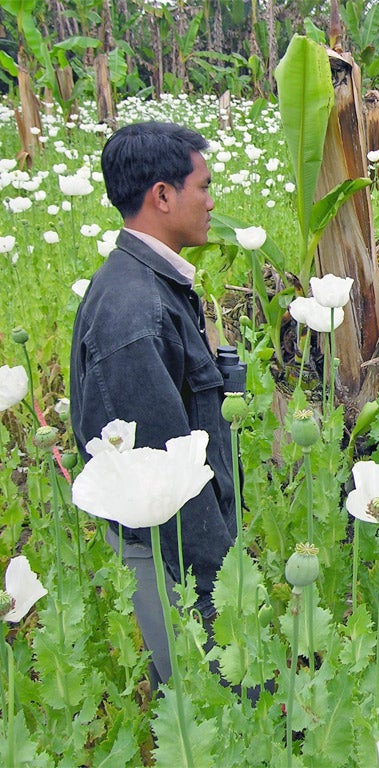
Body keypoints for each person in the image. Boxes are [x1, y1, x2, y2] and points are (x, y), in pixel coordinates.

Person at [70, 122, 237, 687]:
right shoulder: (133, 314)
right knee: (209, 700)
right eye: (204, 187)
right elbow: (163, 474)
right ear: (162, 196)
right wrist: (219, 585)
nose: (213, 203)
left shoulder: (147, 285)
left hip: (178, 548)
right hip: (171, 558)